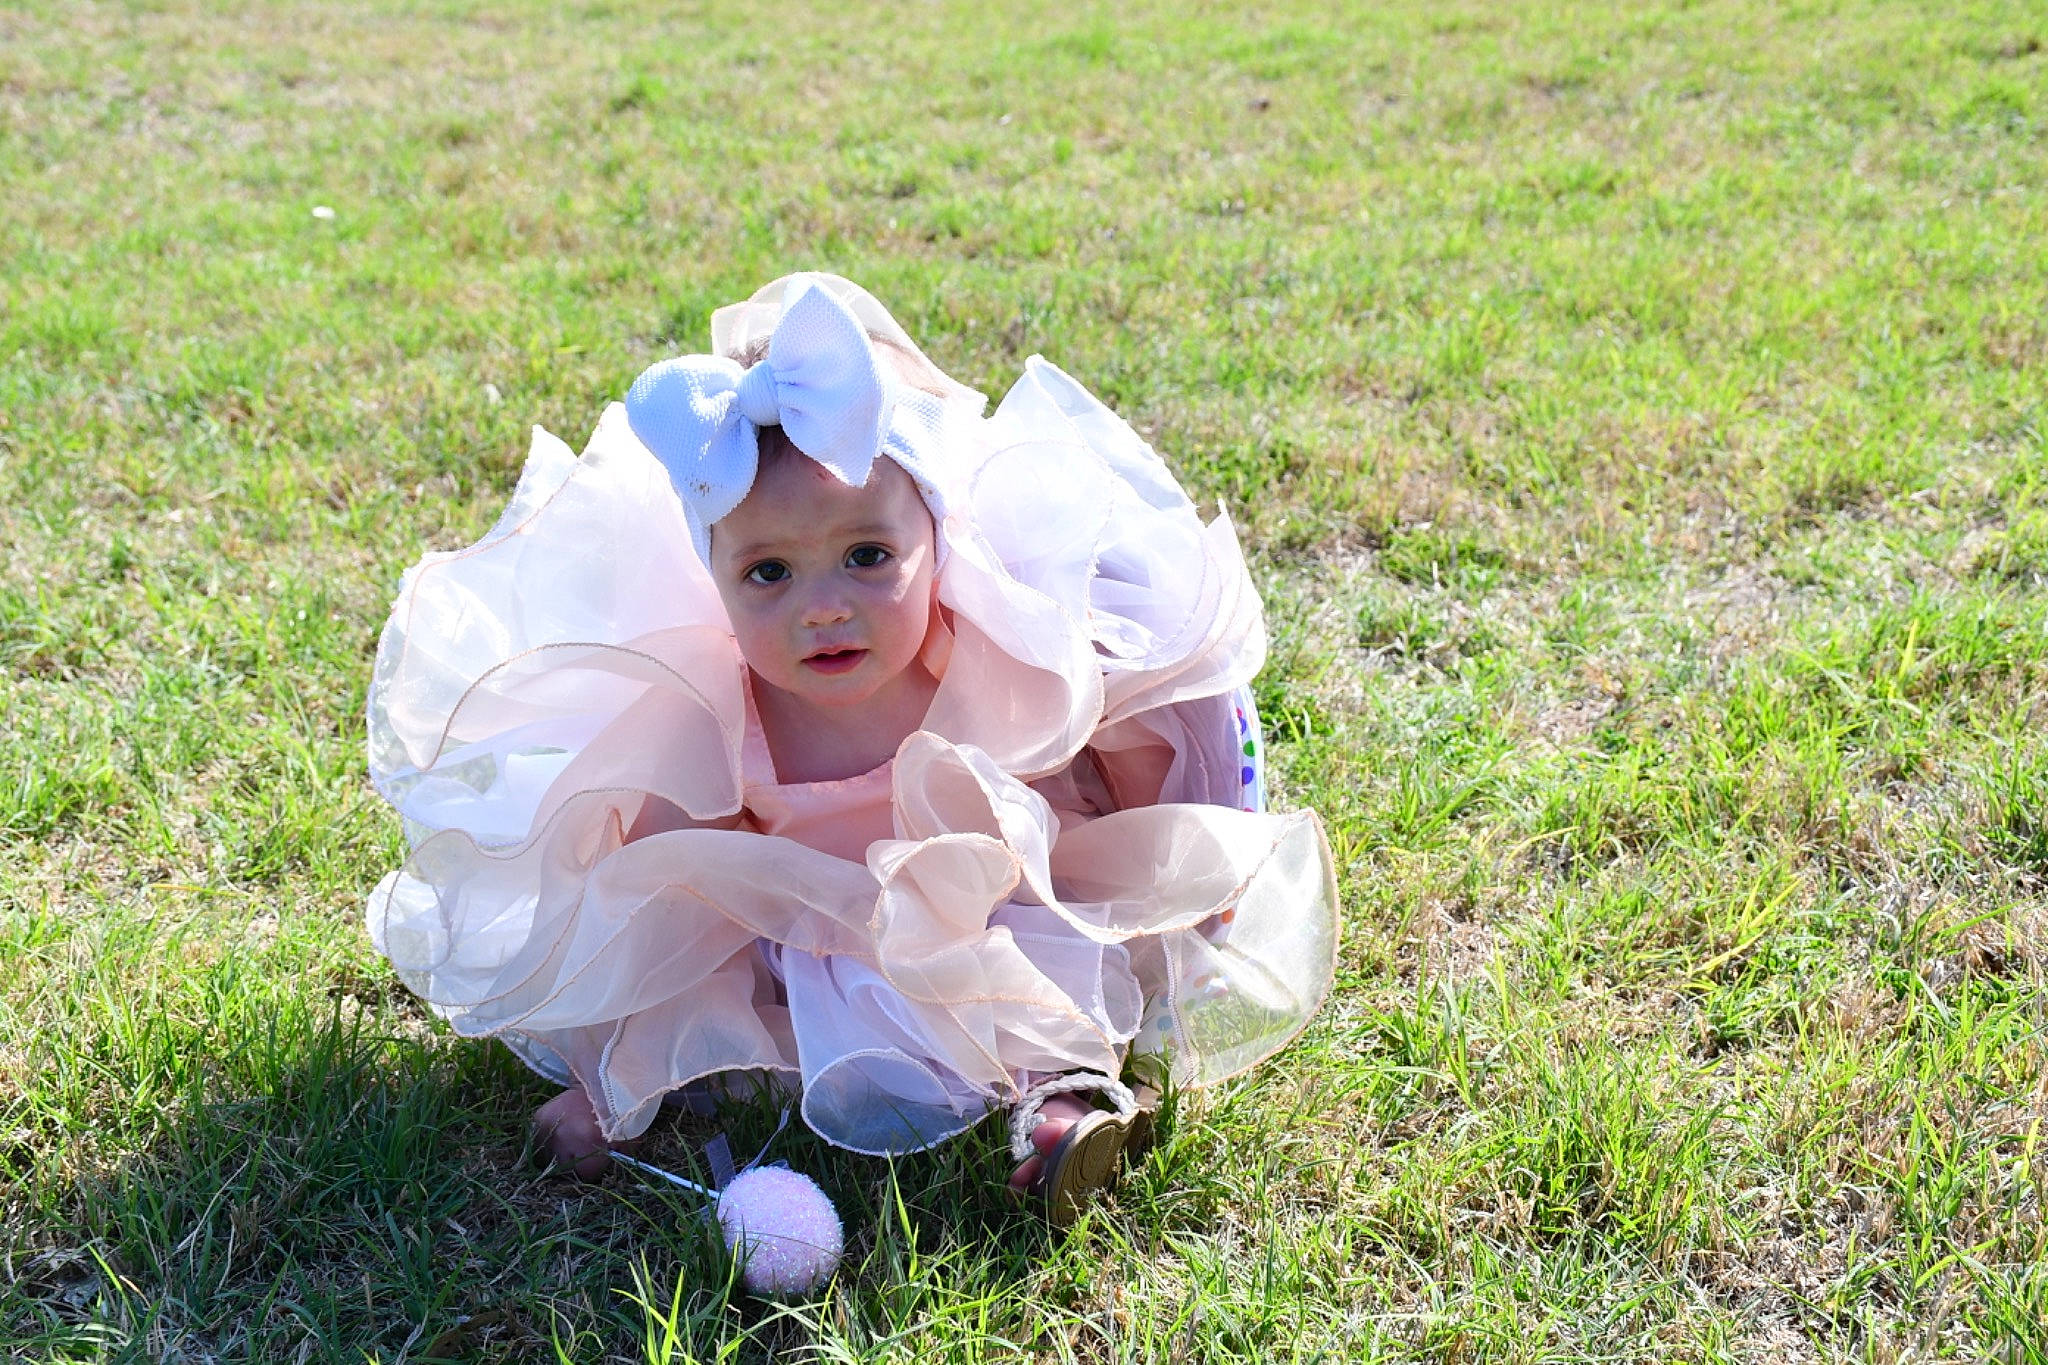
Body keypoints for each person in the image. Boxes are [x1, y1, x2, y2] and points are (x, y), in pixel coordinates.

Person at [365, 273, 1337, 1224]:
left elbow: (1132, 728)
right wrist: (610, 1060)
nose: (821, 606)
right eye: (768, 573)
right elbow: (654, 895)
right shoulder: (716, 710)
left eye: (867, 557)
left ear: (937, 539)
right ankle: (634, 1097)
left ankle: (1061, 1117)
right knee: (722, 1029)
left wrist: (1192, 864)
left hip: (992, 913)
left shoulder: (987, 657)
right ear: (714, 580)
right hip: (818, 942)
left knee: (1039, 988)